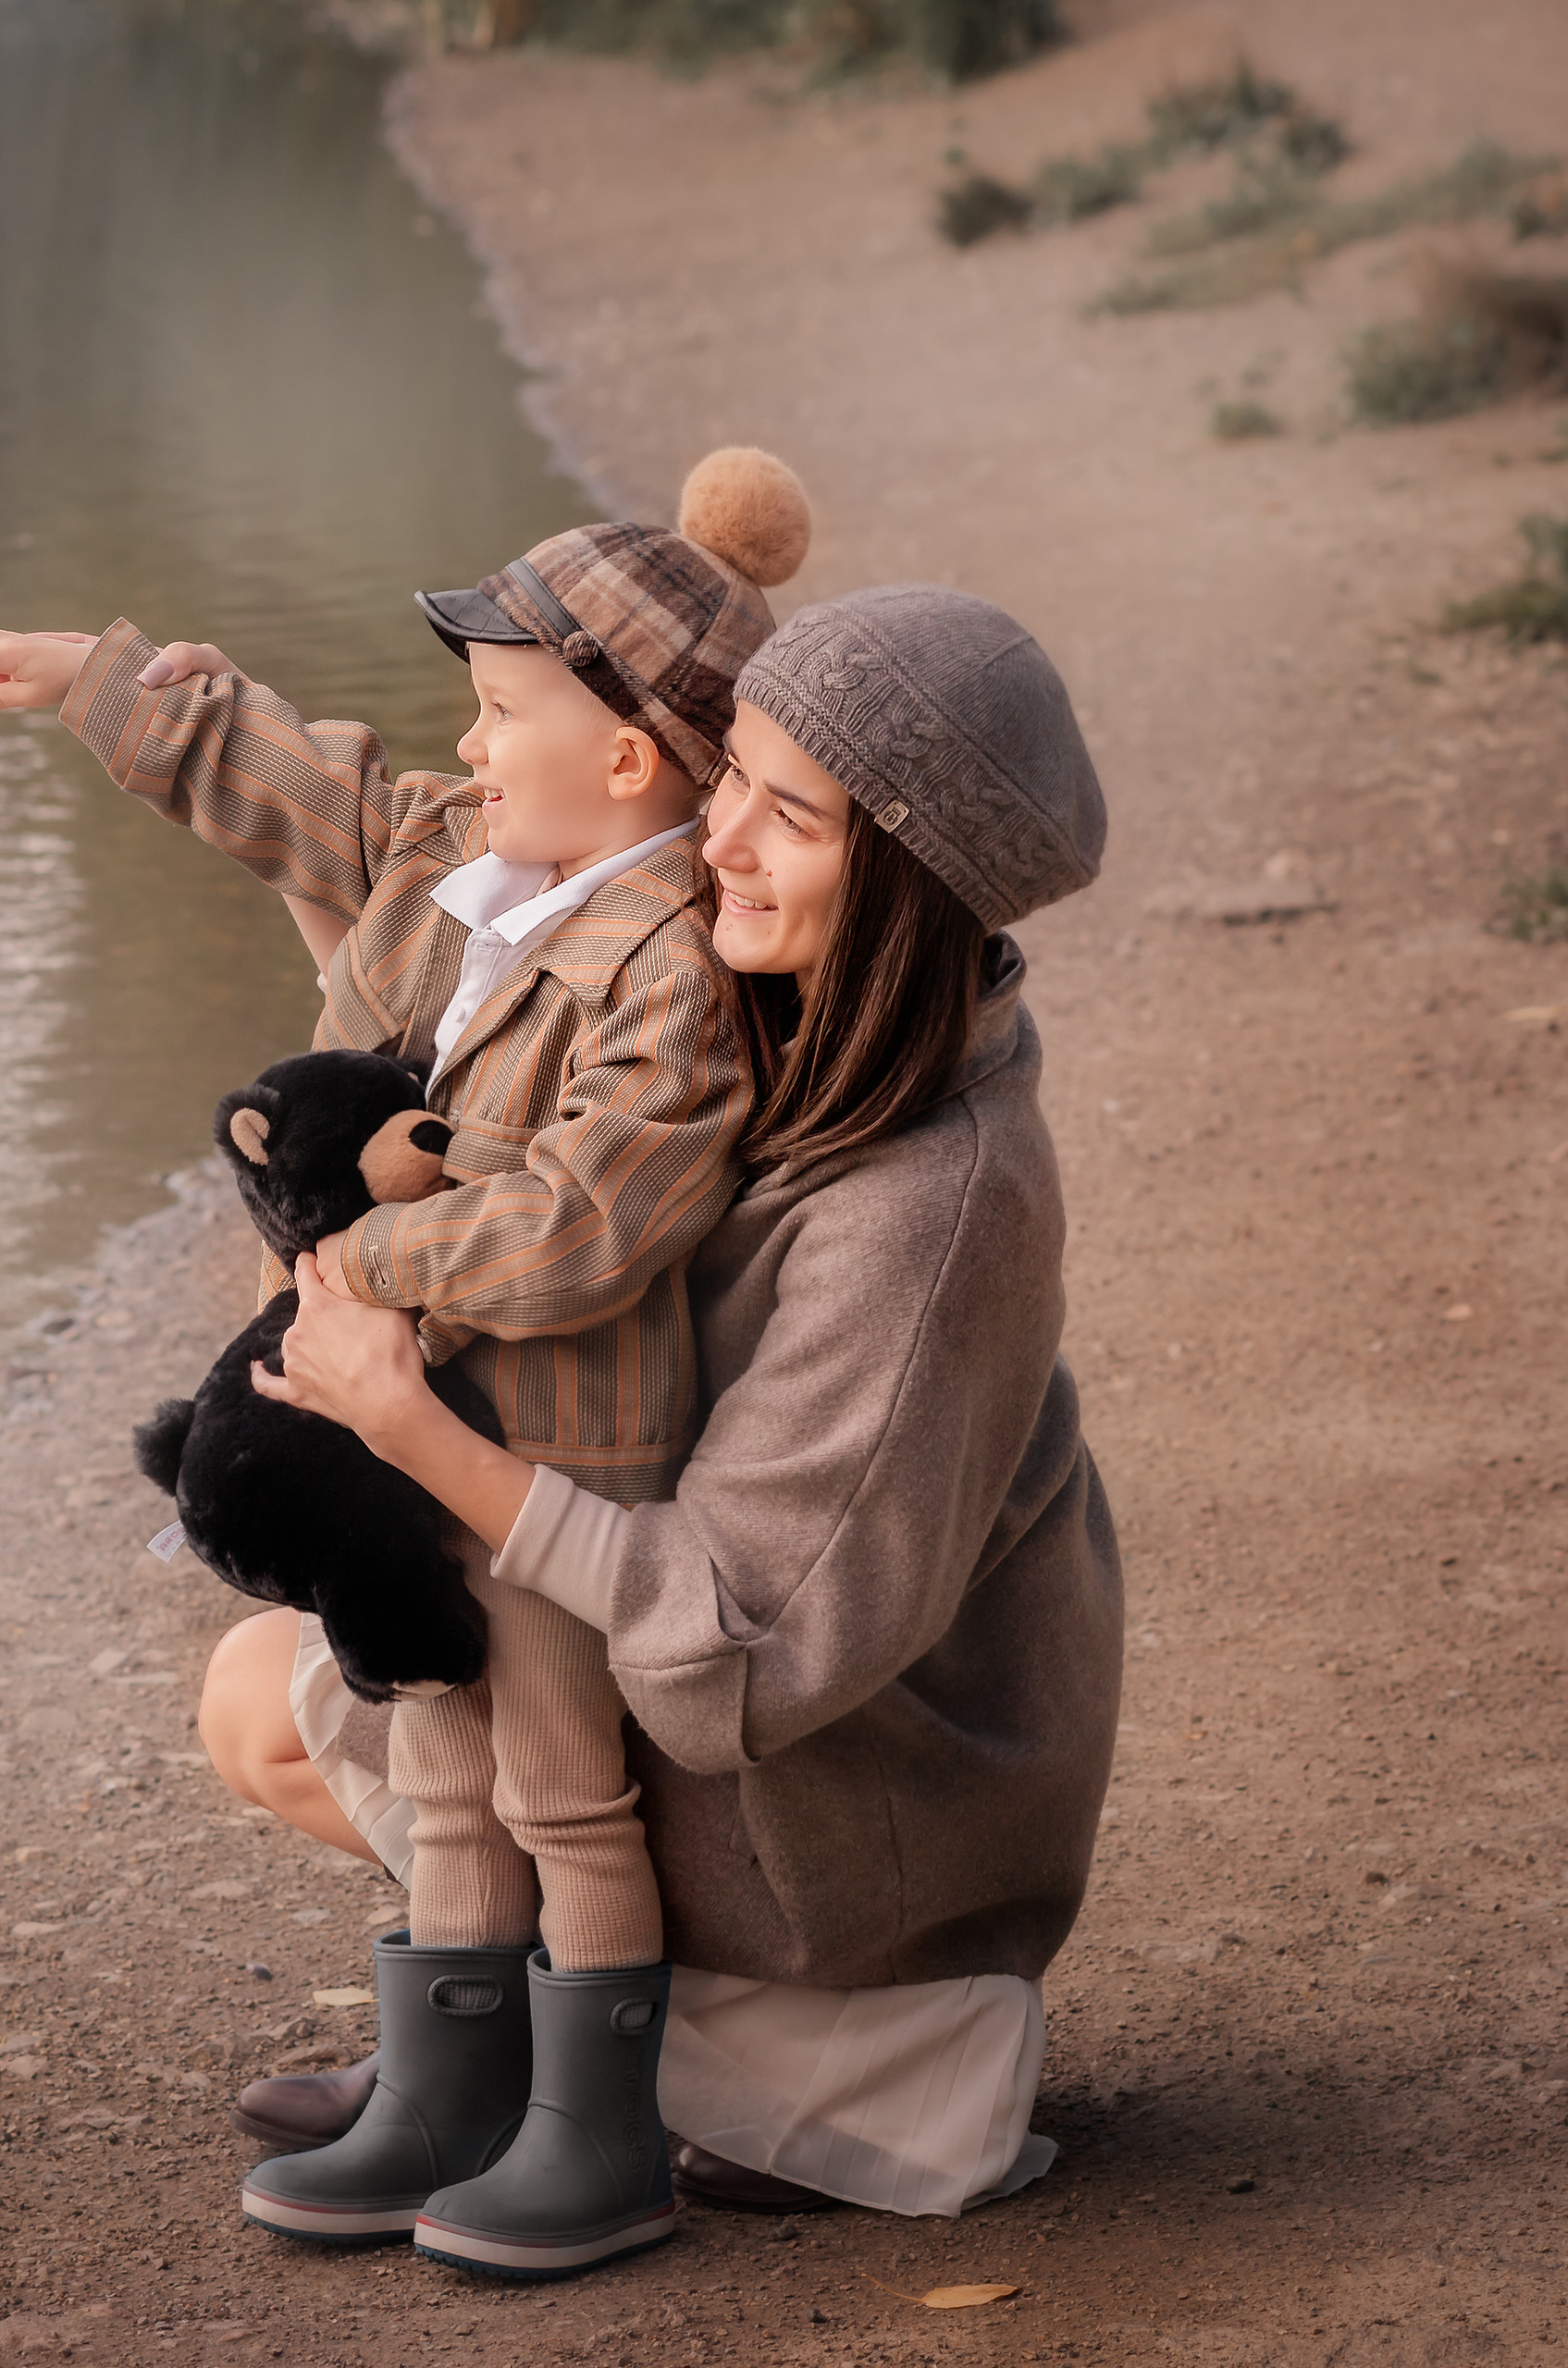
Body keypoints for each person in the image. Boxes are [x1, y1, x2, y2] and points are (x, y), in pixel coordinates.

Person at [0, 450, 815, 2278]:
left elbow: (593, 1213)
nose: (465, 747)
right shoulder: (463, 868)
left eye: (497, 711)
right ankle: (444, 2087)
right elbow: (308, 795)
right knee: (443, 1750)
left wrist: (357, 1257)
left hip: (556, 1443)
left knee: (561, 1778)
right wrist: (101, 687)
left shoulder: (665, 968)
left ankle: (598, 2128)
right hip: (395, 1431)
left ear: (629, 758)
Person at [218, 582, 1126, 2228]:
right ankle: (497, 2055)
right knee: (278, 1688)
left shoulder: (933, 1204)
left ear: (913, 881)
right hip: (747, 1687)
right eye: (735, 787)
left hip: (857, 1794)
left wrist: (418, 1434)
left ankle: (702, 2075)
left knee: (364, 1681)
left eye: (794, 819)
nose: (720, 846)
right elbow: (435, 904)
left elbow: (742, 1648)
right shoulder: (752, 1013)